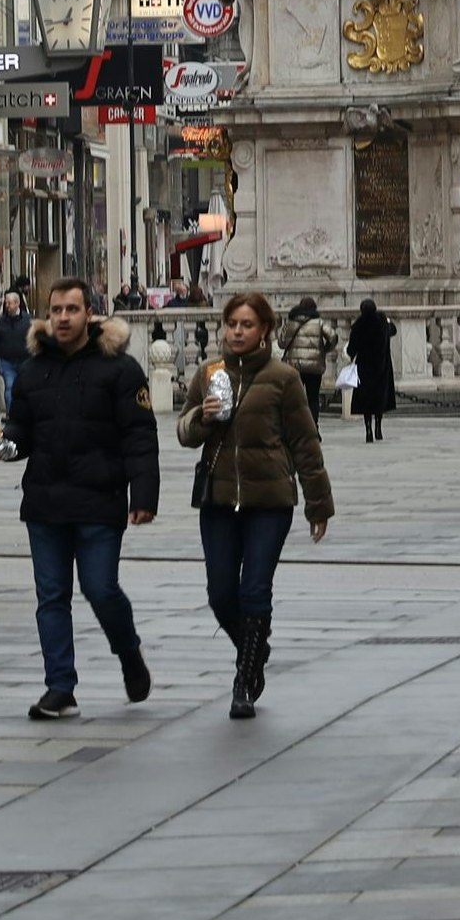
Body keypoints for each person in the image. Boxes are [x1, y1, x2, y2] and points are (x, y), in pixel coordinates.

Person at [0, 277, 157, 721]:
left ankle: (129, 653)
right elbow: (21, 431)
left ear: (91, 314)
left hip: (99, 499)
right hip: (45, 501)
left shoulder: (119, 370)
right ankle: (59, 687)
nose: (63, 318)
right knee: (51, 596)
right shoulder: (32, 371)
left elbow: (139, 436)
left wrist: (143, 494)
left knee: (100, 588)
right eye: (56, 310)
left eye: (72, 309)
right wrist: (3, 445)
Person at [178, 291, 335, 719]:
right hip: (219, 498)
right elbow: (184, 430)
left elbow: (305, 441)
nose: (238, 332)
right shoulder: (209, 373)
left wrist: (318, 503)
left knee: (255, 589)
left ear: (265, 329)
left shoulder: (283, 378)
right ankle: (254, 645)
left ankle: (245, 678)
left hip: (269, 501)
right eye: (232, 325)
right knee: (220, 591)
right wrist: (202, 418)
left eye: (247, 325)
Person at [347, 298, 398, 441]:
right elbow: (393, 330)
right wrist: (387, 320)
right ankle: (378, 428)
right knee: (379, 398)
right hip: (381, 367)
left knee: (366, 399)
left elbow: (352, 349)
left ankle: (368, 429)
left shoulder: (358, 326)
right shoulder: (382, 324)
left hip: (364, 367)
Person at [278, 296, 337, 395]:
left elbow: (281, 343)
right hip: (314, 367)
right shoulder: (319, 322)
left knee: (295, 398)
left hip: (294, 366)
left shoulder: (290, 323)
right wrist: (324, 349)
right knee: (313, 398)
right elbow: (333, 337)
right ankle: (313, 411)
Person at [0, 290, 33, 413]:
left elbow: (33, 341)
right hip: (7, 362)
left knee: (24, 388)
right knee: (9, 387)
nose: (7, 306)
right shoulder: (1, 322)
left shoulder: (28, 320)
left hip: (25, 361)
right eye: (6, 303)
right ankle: (11, 414)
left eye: (10, 303)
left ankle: (24, 412)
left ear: (17, 303)